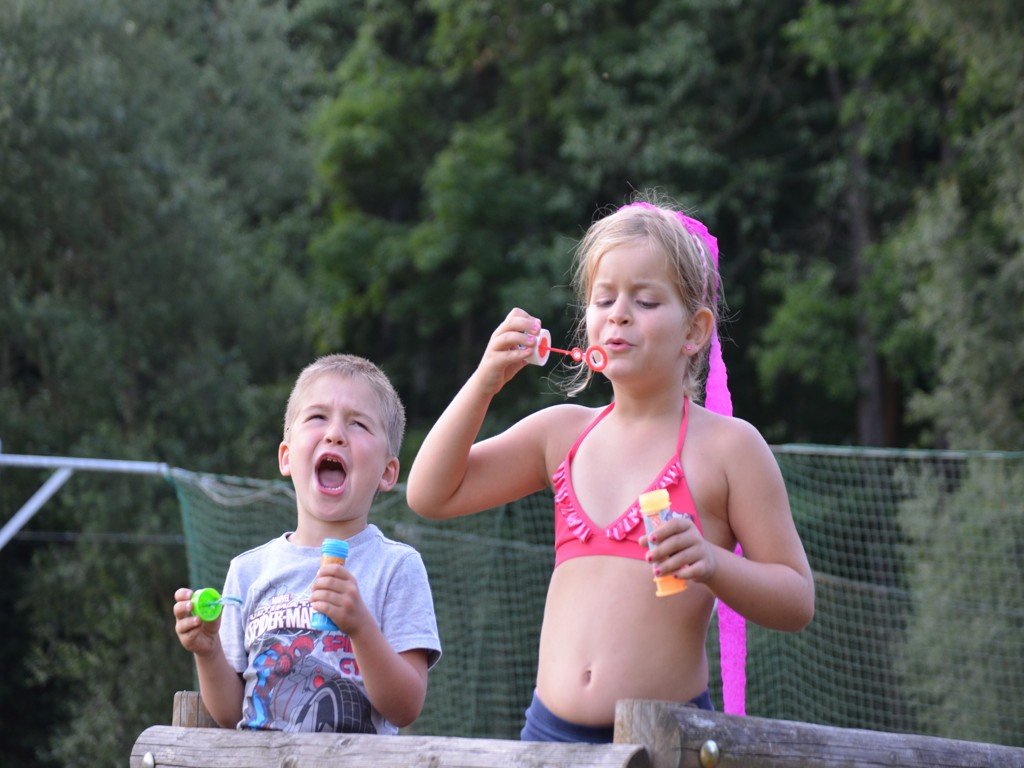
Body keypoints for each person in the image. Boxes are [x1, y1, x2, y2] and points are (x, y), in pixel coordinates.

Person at [406, 196, 814, 742]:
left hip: (664, 741)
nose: (619, 313)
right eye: (603, 299)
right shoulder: (561, 434)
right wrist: (484, 383)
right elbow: (430, 494)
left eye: (645, 300)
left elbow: (796, 600)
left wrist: (713, 562)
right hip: (547, 740)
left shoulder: (729, 448)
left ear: (694, 331)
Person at [173, 354, 441, 735]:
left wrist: (360, 626)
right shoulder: (247, 571)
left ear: (387, 472)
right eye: (317, 417)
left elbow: (406, 707)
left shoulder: (396, 567)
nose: (335, 434)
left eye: (358, 423)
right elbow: (233, 714)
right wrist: (208, 650)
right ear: (286, 457)